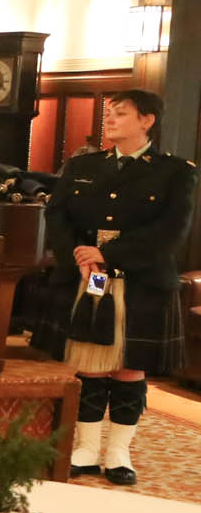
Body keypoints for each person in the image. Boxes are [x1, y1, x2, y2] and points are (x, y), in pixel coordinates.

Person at [32, 90, 194, 485]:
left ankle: (119, 452)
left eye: (120, 113)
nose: (110, 119)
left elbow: (171, 230)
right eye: (109, 113)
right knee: (90, 363)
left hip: (142, 280)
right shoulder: (83, 165)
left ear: (147, 120)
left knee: (128, 367)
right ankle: (86, 448)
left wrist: (108, 254)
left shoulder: (175, 171)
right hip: (88, 276)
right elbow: (58, 215)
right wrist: (79, 255)